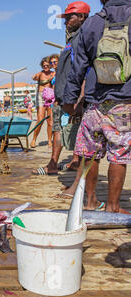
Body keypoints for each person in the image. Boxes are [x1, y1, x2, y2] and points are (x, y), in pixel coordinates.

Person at [63, 0, 130, 214]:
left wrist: (69, 99)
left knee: (89, 152)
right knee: (118, 154)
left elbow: (78, 67)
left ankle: (90, 203)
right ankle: (112, 206)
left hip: (94, 101)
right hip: (124, 101)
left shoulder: (91, 23)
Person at [32, 1, 90, 177]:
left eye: (69, 18)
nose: (65, 22)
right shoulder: (72, 39)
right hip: (64, 95)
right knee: (63, 128)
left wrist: (80, 98)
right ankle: (67, 163)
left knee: (69, 130)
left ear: (81, 17)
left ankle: (56, 165)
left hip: (72, 97)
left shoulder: (84, 38)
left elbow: (84, 70)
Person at [30, 57, 56, 148]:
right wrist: (34, 77)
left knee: (50, 121)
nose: (46, 67)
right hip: (41, 96)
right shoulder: (40, 74)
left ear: (50, 65)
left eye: (47, 65)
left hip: (51, 96)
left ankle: (49, 141)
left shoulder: (53, 73)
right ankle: (34, 139)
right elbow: (34, 78)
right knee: (40, 119)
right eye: (44, 65)